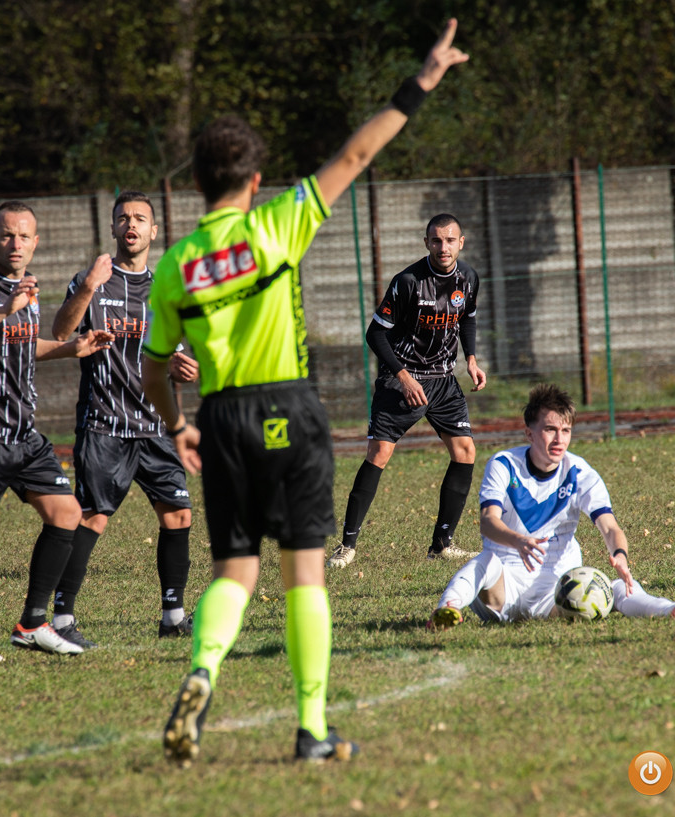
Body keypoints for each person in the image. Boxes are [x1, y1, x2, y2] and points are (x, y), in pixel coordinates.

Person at [141, 20, 470, 765]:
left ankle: (201, 671)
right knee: (303, 572)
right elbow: (357, 153)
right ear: (255, 182)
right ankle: (311, 727)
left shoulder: (175, 266)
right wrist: (420, 83)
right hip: (287, 406)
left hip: (220, 416)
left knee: (233, 569)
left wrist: (176, 425)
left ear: (194, 184)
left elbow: (154, 368)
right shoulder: (279, 223)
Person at [0, 201, 113, 665]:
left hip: (24, 434)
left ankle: (32, 624)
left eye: (24, 236)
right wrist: (2, 309)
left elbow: (24, 344)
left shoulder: (28, 287)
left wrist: (73, 347)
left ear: (36, 242)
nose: (15, 244)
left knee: (67, 513)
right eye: (7, 235)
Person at [429, 383, 675, 629]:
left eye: (565, 430)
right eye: (550, 429)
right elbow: (487, 521)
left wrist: (620, 555)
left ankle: (674, 609)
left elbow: (609, 526)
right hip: (503, 589)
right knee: (485, 562)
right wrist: (518, 540)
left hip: (557, 592)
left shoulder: (579, 472)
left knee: (613, 587)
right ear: (529, 432)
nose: (558, 438)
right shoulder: (504, 464)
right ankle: (447, 611)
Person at [49, 190, 199, 646]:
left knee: (178, 516)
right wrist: (88, 286)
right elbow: (59, 331)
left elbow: (174, 349)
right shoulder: (94, 279)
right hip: (105, 425)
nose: (131, 225)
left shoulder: (167, 288)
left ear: (154, 231)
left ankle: (172, 616)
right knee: (92, 519)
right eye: (123, 218)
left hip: (156, 426)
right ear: (113, 228)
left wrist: (181, 365)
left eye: (140, 219)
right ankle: (59, 620)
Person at [330, 213, 486, 568]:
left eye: (450, 240)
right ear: (426, 242)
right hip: (403, 381)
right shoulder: (408, 282)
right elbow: (375, 333)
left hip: (444, 382)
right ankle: (347, 547)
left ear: (461, 242)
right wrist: (403, 376)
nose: (443, 247)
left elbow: (468, 318)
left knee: (465, 451)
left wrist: (472, 359)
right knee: (378, 454)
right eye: (436, 240)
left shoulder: (469, 278)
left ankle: (442, 545)